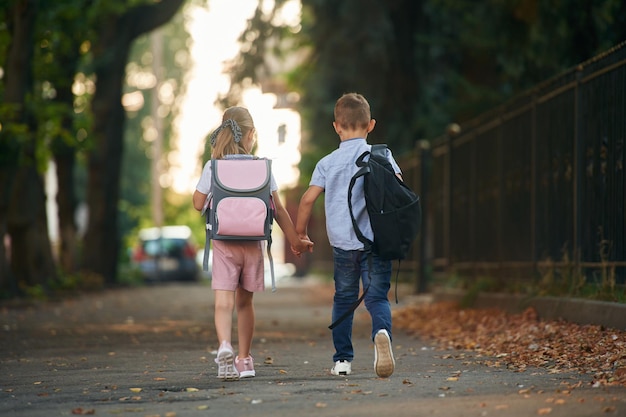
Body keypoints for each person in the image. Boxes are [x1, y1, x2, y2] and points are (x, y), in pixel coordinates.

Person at [193, 106, 313, 380]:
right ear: (251, 135)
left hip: (224, 245)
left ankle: (224, 345)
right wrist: (296, 241)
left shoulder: (214, 167)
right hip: (253, 246)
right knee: (245, 304)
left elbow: (198, 203)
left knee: (223, 303)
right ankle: (244, 360)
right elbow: (279, 210)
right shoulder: (263, 167)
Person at [295, 93, 401, 378]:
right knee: (377, 297)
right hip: (376, 242)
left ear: (336, 127)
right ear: (371, 125)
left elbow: (307, 200)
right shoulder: (382, 155)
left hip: (343, 245)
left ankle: (342, 361)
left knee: (343, 299)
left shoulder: (328, 163)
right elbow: (399, 189)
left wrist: (300, 234)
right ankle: (382, 332)